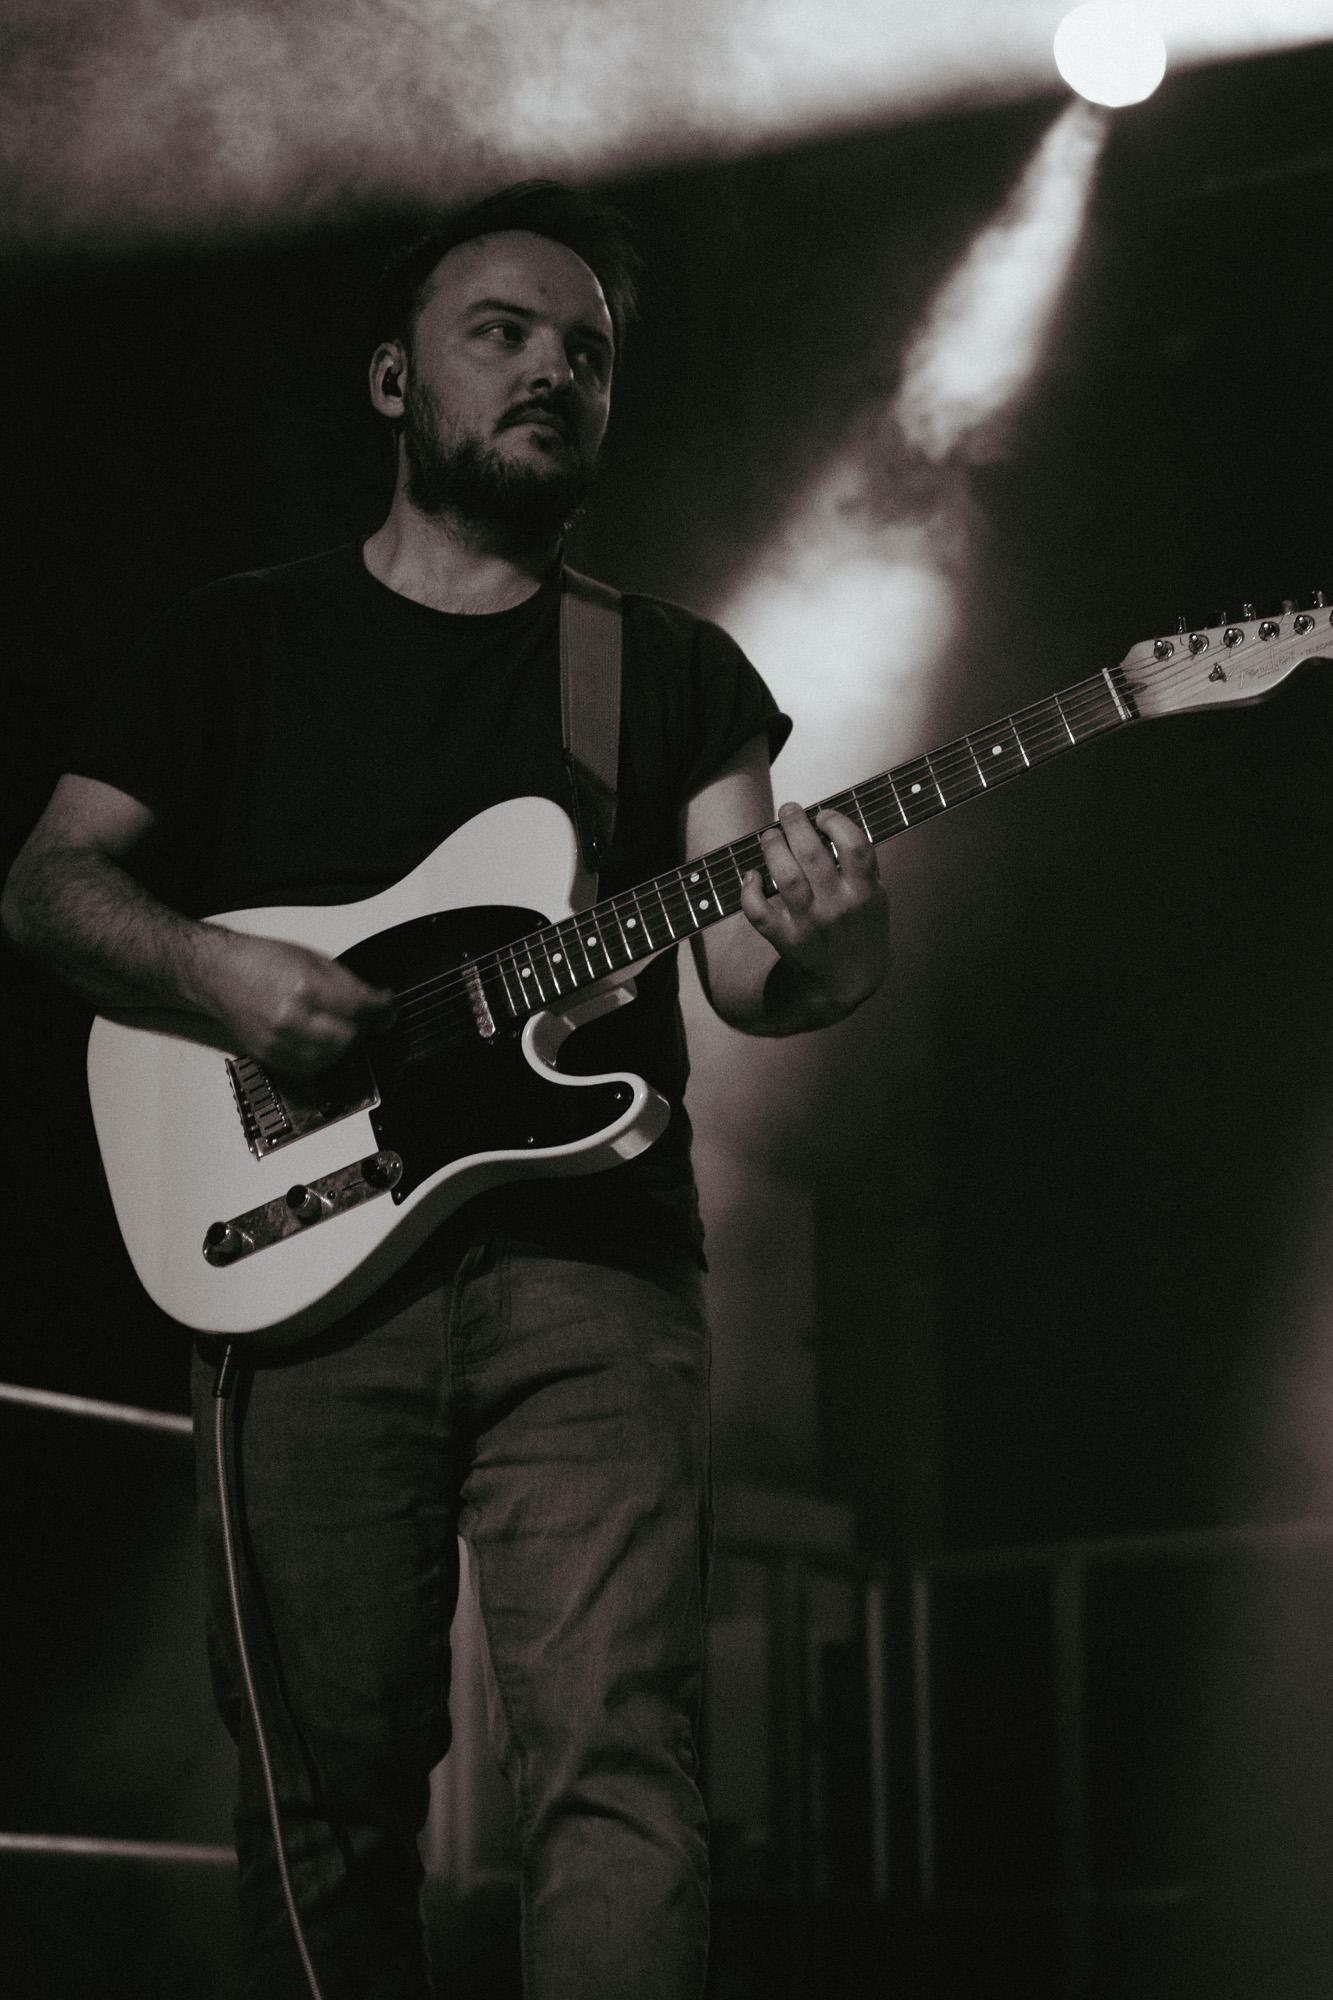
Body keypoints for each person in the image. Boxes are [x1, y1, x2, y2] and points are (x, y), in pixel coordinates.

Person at [2, 181, 890, 1999]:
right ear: (393, 380)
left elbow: (748, 968)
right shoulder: (233, 640)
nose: (553, 368)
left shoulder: (666, 667)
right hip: (298, 1272)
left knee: (621, 1770)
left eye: (588, 352)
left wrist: (841, 941)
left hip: (595, 1267)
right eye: (504, 331)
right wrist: (217, 973)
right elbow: (50, 886)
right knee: (323, 1802)